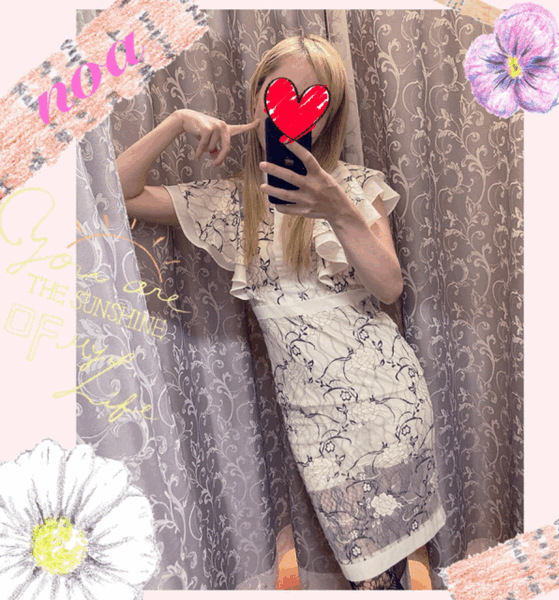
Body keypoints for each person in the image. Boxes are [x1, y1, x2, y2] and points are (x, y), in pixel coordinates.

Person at [116, 34, 446, 591]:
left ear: (328, 115)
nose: (294, 115)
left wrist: (340, 210)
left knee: (402, 560)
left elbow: (389, 287)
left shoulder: (356, 186)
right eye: (280, 95)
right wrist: (176, 121)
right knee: (363, 567)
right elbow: (120, 192)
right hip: (312, 415)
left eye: (316, 101)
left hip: (388, 400)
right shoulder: (231, 201)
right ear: (256, 99)